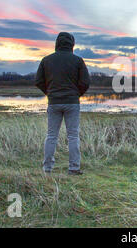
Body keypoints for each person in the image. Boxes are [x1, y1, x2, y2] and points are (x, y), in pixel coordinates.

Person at [35, 32, 90, 175]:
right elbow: (85, 82)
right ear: (72, 44)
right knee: (73, 136)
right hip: (72, 102)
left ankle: (47, 169)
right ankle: (74, 168)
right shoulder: (78, 60)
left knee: (51, 135)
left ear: (57, 43)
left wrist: (50, 93)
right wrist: (76, 94)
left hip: (54, 102)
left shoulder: (46, 60)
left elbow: (38, 81)